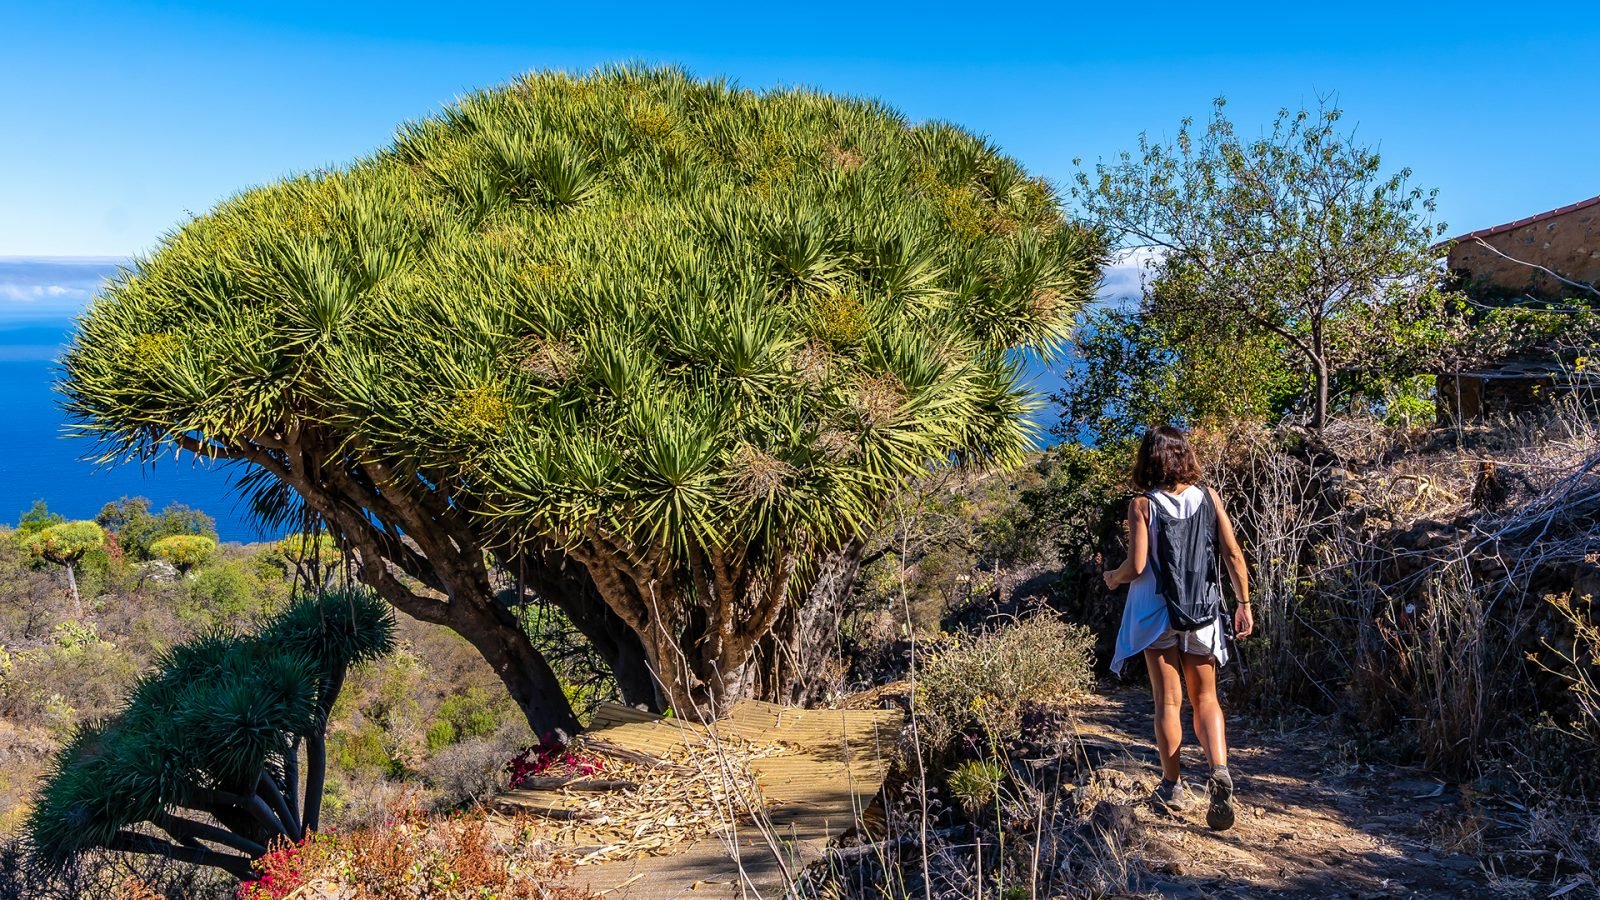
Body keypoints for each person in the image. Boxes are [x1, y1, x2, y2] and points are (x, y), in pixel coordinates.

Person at [1103, 425, 1253, 830]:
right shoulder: (1209, 498)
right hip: (1202, 612)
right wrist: (1243, 603)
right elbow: (1232, 554)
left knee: (1168, 702)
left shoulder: (1142, 505)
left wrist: (1113, 577)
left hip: (1156, 614)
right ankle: (1219, 769)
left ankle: (1172, 785)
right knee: (1206, 699)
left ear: (1148, 459)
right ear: (1185, 455)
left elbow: (1137, 566)